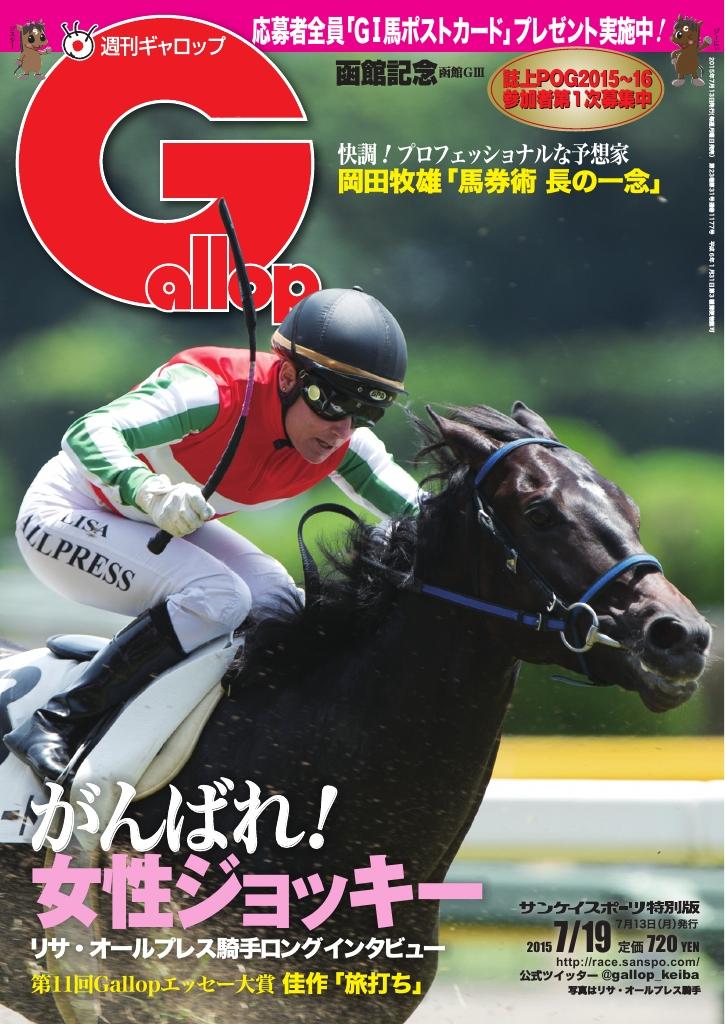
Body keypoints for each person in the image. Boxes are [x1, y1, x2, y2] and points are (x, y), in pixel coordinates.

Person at [5, 288, 421, 782]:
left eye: (365, 412)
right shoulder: (214, 389)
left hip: (155, 526)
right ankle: (57, 722)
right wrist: (148, 490)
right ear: (288, 376)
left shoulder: (343, 439)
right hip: (66, 512)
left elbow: (430, 514)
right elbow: (87, 433)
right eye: (334, 402)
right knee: (220, 596)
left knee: (278, 602)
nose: (342, 430)